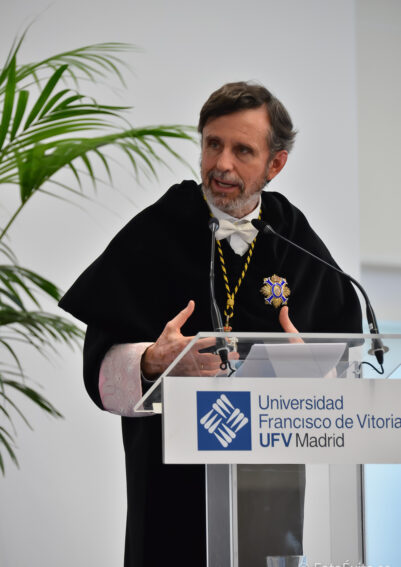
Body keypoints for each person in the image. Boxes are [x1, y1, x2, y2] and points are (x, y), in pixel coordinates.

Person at [59, 81, 362, 567]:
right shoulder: (156, 230)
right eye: (212, 144)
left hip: (267, 495)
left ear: (275, 164)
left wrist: (312, 371)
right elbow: (99, 370)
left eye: (243, 150)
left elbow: (341, 364)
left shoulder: (293, 238)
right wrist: (151, 362)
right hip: (169, 493)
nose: (221, 164)